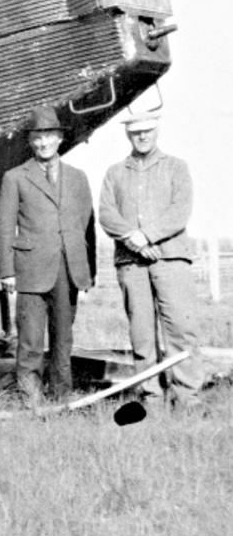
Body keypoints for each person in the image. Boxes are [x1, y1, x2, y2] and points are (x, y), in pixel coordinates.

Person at [98, 112, 204, 408]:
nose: (142, 136)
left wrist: (147, 236)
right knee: (141, 333)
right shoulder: (115, 173)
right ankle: (151, 398)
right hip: (131, 264)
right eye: (136, 132)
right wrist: (134, 239)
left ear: (156, 130)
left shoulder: (176, 167)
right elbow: (107, 214)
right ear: (127, 135)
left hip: (171, 260)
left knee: (180, 330)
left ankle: (187, 398)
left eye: (147, 131)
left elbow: (180, 210)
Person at [0, 108, 97, 405]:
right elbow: (3, 226)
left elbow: (87, 228)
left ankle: (62, 400)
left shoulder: (78, 178)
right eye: (37, 138)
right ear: (30, 142)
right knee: (30, 343)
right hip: (30, 273)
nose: (43, 144)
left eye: (48, 136)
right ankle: (31, 402)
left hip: (68, 271)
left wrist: (88, 274)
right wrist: (6, 272)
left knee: (63, 342)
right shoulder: (14, 178)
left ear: (61, 138)